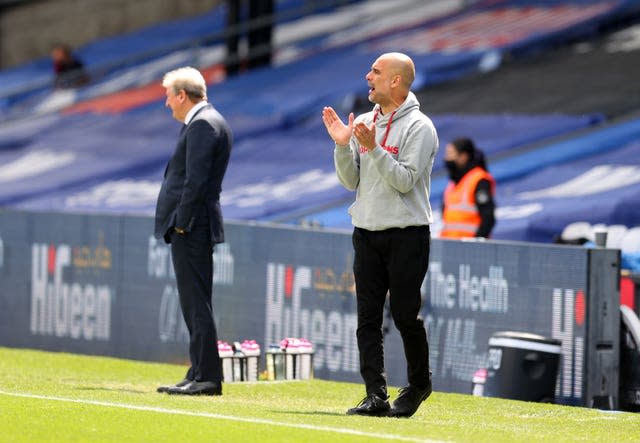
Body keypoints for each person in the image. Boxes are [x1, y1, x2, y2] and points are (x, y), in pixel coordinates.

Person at [322, 52, 438, 418]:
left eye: (376, 71)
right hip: (367, 232)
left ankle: (420, 383)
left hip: (407, 233)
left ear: (396, 82)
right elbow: (351, 180)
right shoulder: (368, 121)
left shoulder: (420, 127)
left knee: (405, 316)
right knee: (367, 318)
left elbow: (404, 180)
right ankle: (376, 395)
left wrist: (372, 148)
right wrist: (344, 145)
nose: (367, 76)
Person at [154, 66, 232, 396]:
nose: (167, 103)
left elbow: (195, 181)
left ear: (183, 95)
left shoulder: (202, 124)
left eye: (169, 97)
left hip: (193, 225)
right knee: (193, 301)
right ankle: (199, 369)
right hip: (195, 223)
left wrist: (181, 223)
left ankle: (208, 377)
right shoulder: (207, 121)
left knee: (196, 301)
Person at [440, 137, 496, 238]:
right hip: (450, 247)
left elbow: (488, 217)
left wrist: (476, 244)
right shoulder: (452, 185)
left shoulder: (479, 180)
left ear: (463, 157)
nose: (446, 159)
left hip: (471, 249)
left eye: (450, 154)